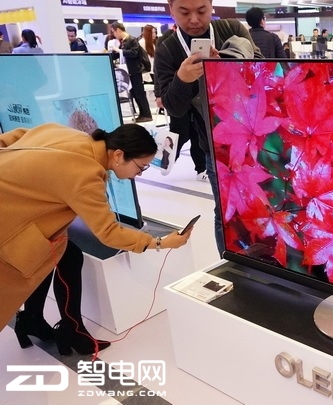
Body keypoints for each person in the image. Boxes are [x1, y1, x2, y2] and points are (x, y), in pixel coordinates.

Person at [0, 123, 192, 342]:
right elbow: (109, 232)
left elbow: (13, 137)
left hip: (19, 217)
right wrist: (161, 242)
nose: (139, 174)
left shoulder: (66, 133)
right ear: (118, 155)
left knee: (62, 255)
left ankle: (41, 322)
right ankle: (66, 329)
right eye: (141, 167)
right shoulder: (86, 174)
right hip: (9, 227)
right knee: (39, 258)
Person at [154, 0, 262, 255]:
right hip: (214, 145)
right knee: (224, 210)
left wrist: (224, 65)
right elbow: (174, 108)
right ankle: (230, 262)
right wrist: (182, 79)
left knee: (261, 202)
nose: (194, 19)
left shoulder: (231, 29)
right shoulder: (168, 48)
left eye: (201, 11)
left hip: (253, 134)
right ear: (171, 9)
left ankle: (262, 257)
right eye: (184, 12)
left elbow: (260, 70)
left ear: (212, 6)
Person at [110, 22, 153, 122]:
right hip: (129, 72)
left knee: (139, 93)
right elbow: (120, 54)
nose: (114, 35)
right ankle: (142, 114)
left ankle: (147, 114)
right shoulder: (124, 41)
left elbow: (134, 53)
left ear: (118, 30)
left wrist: (120, 51)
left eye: (114, 32)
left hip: (135, 71)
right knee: (134, 93)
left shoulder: (132, 39)